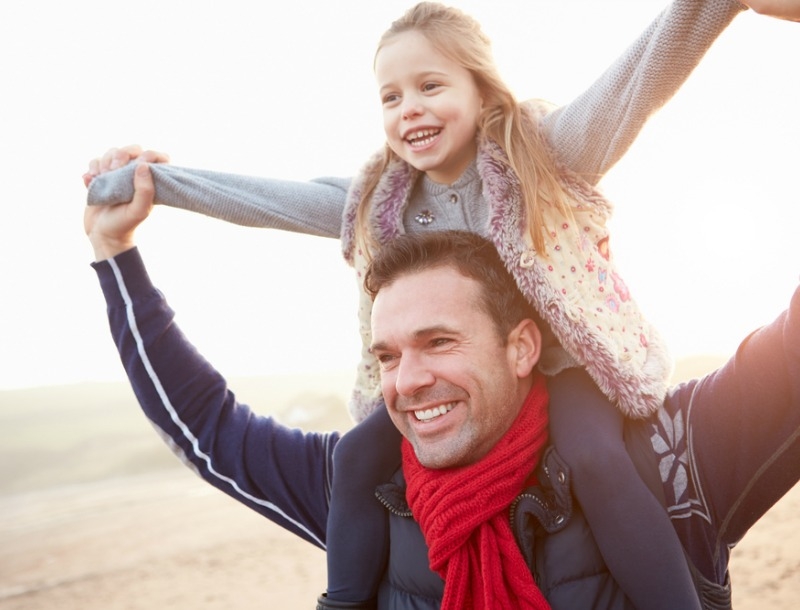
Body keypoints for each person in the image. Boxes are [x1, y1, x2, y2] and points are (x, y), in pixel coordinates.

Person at [83, 1, 798, 607]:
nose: (409, 109)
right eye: (390, 97)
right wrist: (146, 187)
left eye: (430, 85)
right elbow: (268, 201)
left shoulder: (545, 154)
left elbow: (637, 83)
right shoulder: (376, 201)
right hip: (457, 425)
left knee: (595, 455)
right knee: (361, 457)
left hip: (575, 371)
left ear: (483, 91)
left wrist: (717, 8)